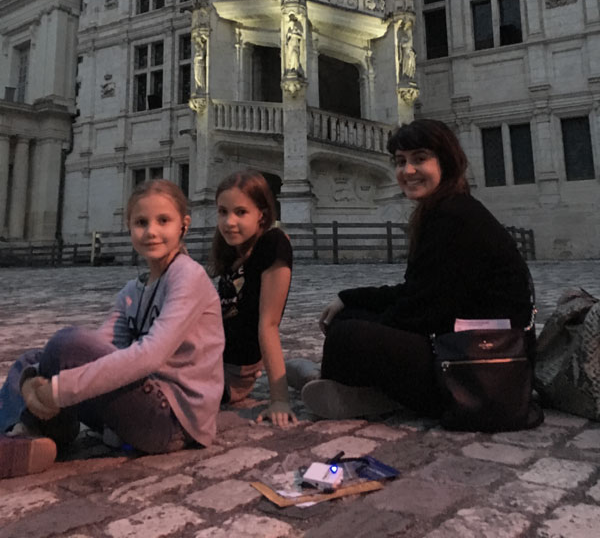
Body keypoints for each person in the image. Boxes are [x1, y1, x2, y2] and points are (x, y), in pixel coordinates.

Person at [300, 119, 536, 421]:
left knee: (348, 333)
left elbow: (423, 311)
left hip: (481, 364)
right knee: (349, 317)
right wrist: (350, 298)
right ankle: (345, 383)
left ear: (446, 161)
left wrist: (364, 332)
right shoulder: (445, 209)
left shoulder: (455, 217)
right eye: (401, 161)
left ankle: (347, 385)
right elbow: (419, 291)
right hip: (463, 343)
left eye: (420, 158)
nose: (408, 171)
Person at [0, 180, 224, 479]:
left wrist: (58, 390)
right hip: (137, 405)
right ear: (129, 226)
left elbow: (151, 355)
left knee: (65, 343)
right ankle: (27, 434)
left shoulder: (188, 276)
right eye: (141, 222)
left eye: (163, 221)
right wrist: (33, 379)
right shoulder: (132, 290)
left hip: (172, 420)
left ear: (184, 225)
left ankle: (32, 428)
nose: (151, 231)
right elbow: (101, 346)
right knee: (31, 360)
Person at [212, 170, 297, 428]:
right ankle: (305, 373)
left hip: (230, 376)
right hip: (210, 358)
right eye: (223, 212)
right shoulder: (232, 250)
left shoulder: (273, 244)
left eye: (241, 212)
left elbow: (268, 323)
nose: (229, 222)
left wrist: (279, 399)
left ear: (262, 213)